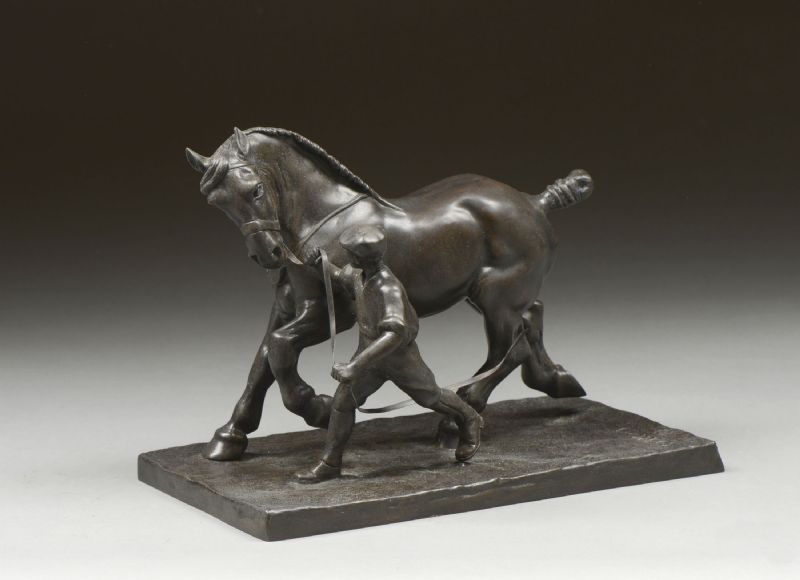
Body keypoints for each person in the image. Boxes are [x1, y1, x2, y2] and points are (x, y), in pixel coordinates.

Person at [296, 225, 483, 482]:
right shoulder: (359, 274)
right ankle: (330, 463)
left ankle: (470, 418)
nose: (346, 255)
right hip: (370, 359)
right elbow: (341, 278)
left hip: (399, 360)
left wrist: (354, 366)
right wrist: (320, 264)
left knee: (431, 397)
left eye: (349, 252)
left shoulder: (387, 288)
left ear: (360, 257)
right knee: (343, 402)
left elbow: (395, 332)